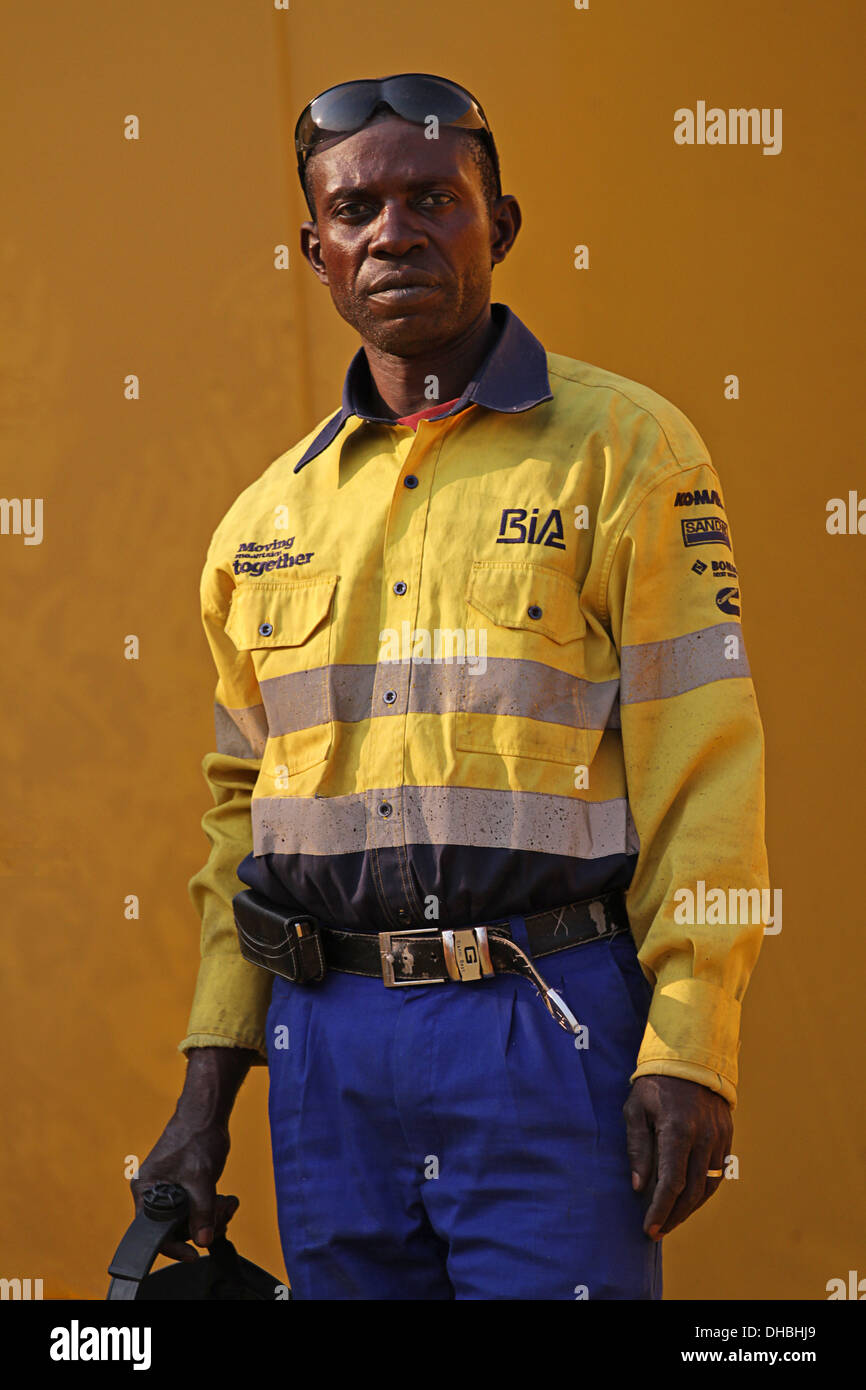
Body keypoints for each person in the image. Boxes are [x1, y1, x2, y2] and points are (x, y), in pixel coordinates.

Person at [132, 73, 769, 1300]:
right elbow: (238, 828)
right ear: (313, 250)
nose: (392, 233)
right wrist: (207, 1082)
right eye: (355, 208)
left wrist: (689, 1043)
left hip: (546, 1018)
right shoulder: (260, 522)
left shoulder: (629, 452)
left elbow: (706, 768)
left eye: (433, 198)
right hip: (325, 1045)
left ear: (502, 223)